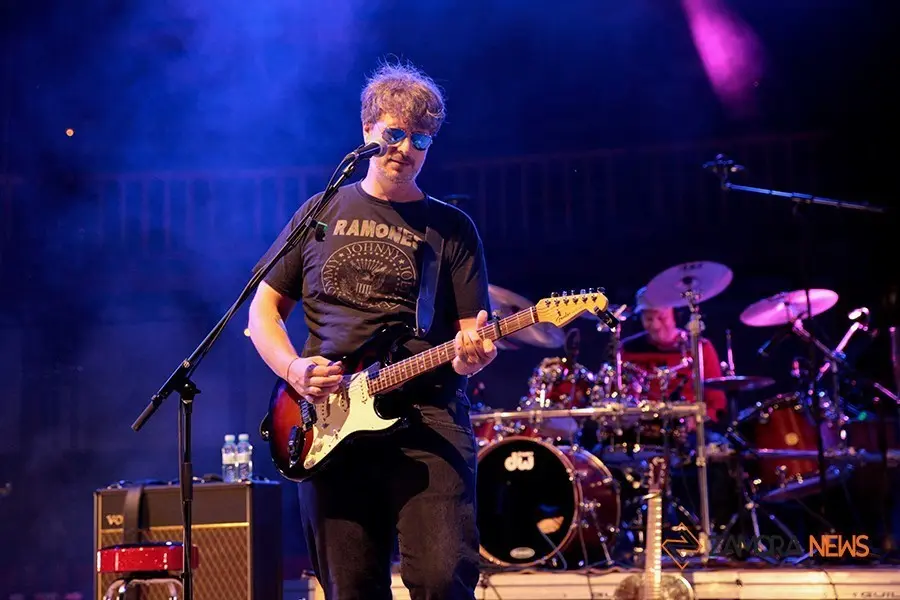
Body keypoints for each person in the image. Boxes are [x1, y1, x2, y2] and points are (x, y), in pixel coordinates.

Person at [247, 60, 496, 600]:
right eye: (394, 134)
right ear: (367, 132)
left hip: (428, 421)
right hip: (326, 419)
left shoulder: (450, 229)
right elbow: (262, 311)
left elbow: (468, 337)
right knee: (350, 588)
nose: (405, 148)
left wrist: (471, 355)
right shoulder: (319, 213)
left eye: (421, 139)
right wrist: (294, 368)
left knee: (440, 578)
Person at [620, 287, 727, 422]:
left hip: (687, 432)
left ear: (675, 315)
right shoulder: (628, 349)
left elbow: (717, 403)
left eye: (661, 317)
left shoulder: (699, 347)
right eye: (648, 319)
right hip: (640, 429)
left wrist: (697, 420)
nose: (655, 325)